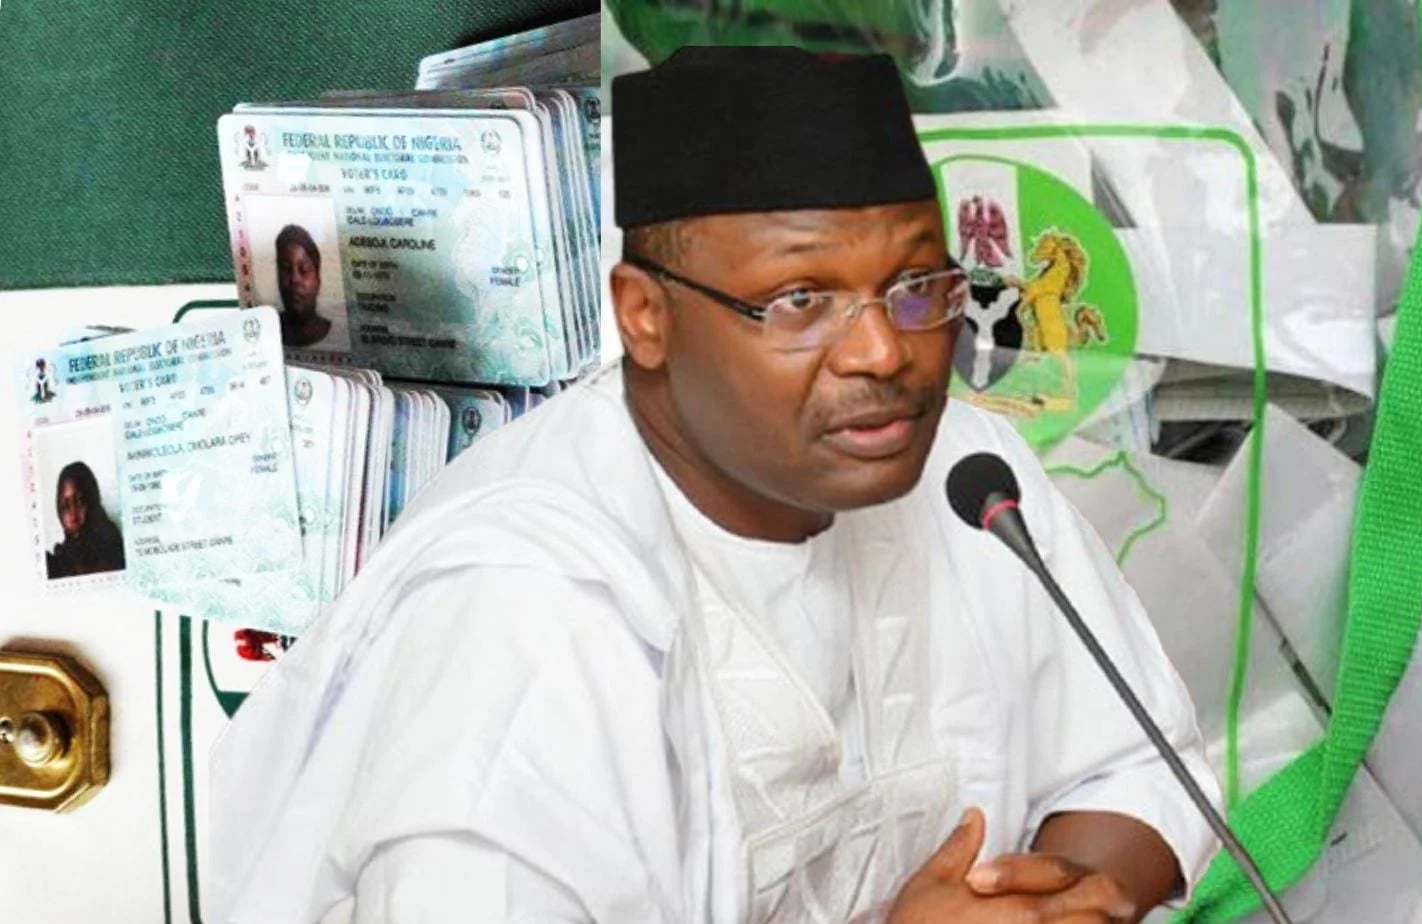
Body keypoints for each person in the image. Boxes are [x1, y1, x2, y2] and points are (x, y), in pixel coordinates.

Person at [208, 46, 1218, 923]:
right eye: (799, 299)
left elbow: (1136, 767)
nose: (883, 351)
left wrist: (1061, 902)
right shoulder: (527, 620)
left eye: (916, 288)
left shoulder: (963, 473)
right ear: (645, 316)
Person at [45, 462, 125, 579]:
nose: (73, 516)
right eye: (65, 506)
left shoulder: (111, 548)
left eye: (79, 502)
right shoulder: (59, 561)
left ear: (92, 501)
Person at [274, 224, 333, 348]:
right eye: (285, 269)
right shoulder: (268, 328)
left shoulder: (337, 333)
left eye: (304, 270)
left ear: (318, 279)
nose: (295, 279)